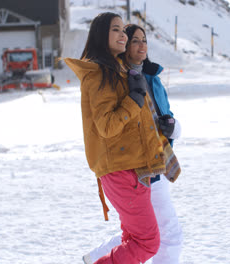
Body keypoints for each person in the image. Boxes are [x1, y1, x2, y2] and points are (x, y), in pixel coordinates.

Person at [64, 13, 181, 264]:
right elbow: (107, 126)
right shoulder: (98, 73)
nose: (123, 36)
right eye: (116, 30)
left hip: (137, 166)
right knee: (148, 243)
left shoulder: (118, 71)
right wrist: (134, 100)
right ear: (100, 35)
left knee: (133, 238)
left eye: (123, 31)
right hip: (122, 168)